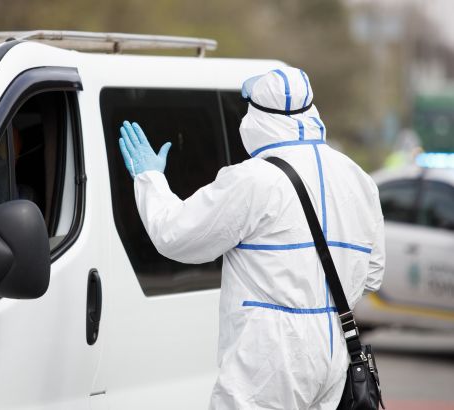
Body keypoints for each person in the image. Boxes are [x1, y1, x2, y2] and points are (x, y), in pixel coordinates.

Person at [117, 67, 385, 409]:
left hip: (270, 354)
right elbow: (372, 274)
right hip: (334, 352)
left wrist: (150, 179)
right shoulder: (359, 179)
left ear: (257, 116)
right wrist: (318, 301)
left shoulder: (254, 179)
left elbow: (174, 235)